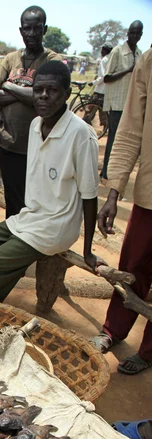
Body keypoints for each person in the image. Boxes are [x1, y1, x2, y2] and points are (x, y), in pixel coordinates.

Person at [0, 61, 103, 304]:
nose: (43, 96)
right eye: (38, 90)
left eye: (52, 90)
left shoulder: (81, 135)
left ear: (66, 94)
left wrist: (88, 251)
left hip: (56, 226)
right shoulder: (36, 125)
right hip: (30, 217)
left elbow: (89, 197)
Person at [0, 5, 61, 218]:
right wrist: (27, 92)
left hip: (23, 147)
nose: (32, 34)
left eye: (37, 28)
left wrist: (10, 86)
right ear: (21, 30)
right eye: (27, 28)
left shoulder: (51, 61)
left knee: (15, 204)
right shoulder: (11, 59)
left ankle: (11, 241)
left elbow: (43, 99)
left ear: (45, 30)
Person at [90, 50, 152, 376]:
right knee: (132, 266)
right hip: (149, 194)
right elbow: (129, 130)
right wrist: (113, 193)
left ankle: (149, 350)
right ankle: (113, 330)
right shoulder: (149, 61)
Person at [100, 20, 143, 180]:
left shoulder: (139, 53)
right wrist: (127, 71)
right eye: (132, 33)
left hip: (130, 105)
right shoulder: (117, 51)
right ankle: (106, 172)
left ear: (141, 35)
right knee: (113, 139)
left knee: (125, 141)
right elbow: (107, 77)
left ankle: (116, 173)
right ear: (128, 33)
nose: (135, 36)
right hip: (116, 103)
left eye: (138, 33)